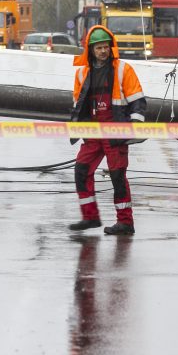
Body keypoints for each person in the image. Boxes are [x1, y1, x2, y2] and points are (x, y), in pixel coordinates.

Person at [69, 26, 147, 236]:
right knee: (81, 170)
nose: (103, 51)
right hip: (94, 132)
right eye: (99, 48)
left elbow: (138, 100)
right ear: (91, 50)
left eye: (106, 47)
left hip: (115, 130)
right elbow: (78, 102)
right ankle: (90, 216)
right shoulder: (82, 72)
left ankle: (125, 222)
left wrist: (135, 126)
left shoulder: (123, 69)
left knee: (117, 177)